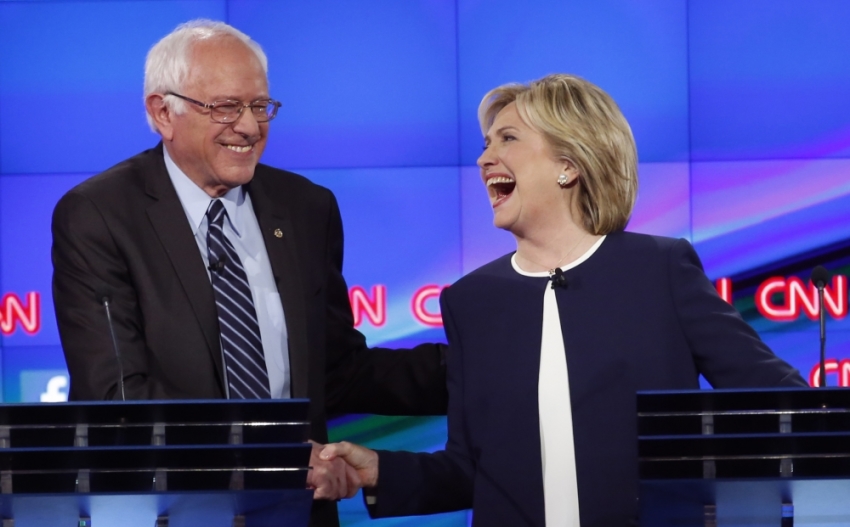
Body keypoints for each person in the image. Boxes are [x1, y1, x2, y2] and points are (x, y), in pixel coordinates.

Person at [320, 74, 808, 526]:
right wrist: (379, 470)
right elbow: (472, 469)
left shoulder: (658, 270)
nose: (484, 159)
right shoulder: (472, 302)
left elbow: (778, 402)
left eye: (507, 139)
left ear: (568, 165)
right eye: (486, 143)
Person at [50, 19, 447, 527]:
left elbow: (336, 372)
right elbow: (119, 402)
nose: (249, 127)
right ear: (161, 112)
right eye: (224, 107)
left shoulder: (305, 207)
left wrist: (479, 371)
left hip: (296, 512)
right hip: (169, 513)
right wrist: (271, 453)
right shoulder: (101, 215)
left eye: (260, 106)